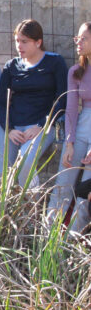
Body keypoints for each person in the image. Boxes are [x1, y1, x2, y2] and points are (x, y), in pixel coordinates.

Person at [0, 19, 67, 188]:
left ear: (38, 42)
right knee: (0, 174)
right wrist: (9, 129)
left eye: (24, 41)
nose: (19, 46)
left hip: (42, 125)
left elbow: (62, 99)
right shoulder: (11, 66)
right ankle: (4, 211)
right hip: (12, 127)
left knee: (24, 164)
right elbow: (1, 102)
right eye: (17, 41)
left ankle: (32, 207)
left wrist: (42, 125)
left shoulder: (55, 62)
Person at [48, 23, 91, 227]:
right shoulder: (76, 71)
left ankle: (73, 247)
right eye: (77, 38)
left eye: (84, 39)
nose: (78, 43)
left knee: (86, 193)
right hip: (81, 125)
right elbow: (72, 109)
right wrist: (70, 142)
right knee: (62, 185)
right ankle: (46, 243)